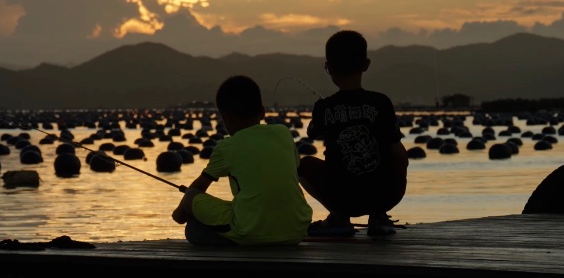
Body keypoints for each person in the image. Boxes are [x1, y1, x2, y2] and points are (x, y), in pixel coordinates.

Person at [171, 76, 312, 245]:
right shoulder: (283, 133)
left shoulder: (226, 147)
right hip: (296, 230)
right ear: (262, 112)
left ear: (225, 117)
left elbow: (198, 188)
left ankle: (244, 240)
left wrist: (179, 214)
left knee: (193, 220)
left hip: (251, 229)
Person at [300, 30, 408, 236]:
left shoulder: (323, 107)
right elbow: (399, 155)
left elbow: (312, 132)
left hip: (342, 196)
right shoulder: (381, 102)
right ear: (366, 65)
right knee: (398, 154)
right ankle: (378, 216)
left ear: (328, 67)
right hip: (385, 194)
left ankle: (338, 216)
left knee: (304, 165)